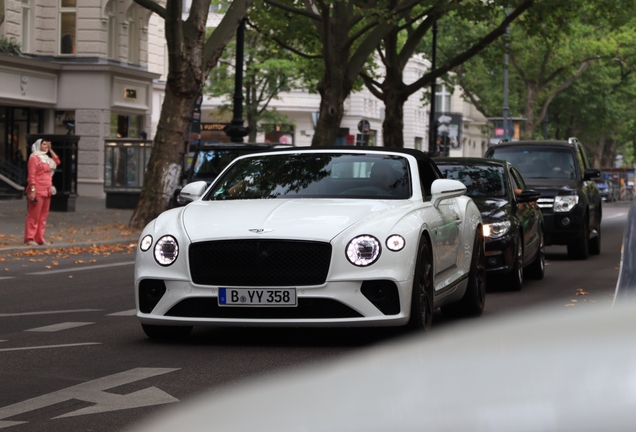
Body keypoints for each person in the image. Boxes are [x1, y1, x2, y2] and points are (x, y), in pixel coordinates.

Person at [24, 139, 60, 246]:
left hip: (47, 190)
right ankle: (30, 238)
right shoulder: (34, 159)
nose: (45, 146)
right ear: (38, 145)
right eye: (44, 144)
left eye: (46, 144)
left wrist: (50, 149)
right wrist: (33, 190)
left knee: (43, 216)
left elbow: (57, 161)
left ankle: (39, 238)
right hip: (38, 190)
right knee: (34, 215)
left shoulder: (47, 159)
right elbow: (31, 176)